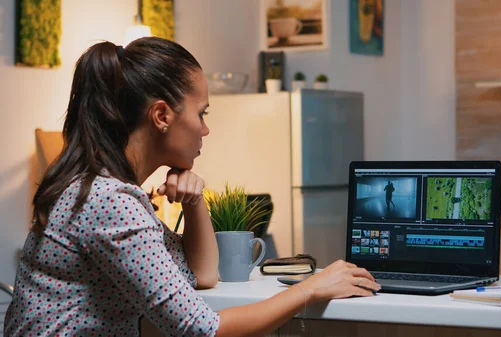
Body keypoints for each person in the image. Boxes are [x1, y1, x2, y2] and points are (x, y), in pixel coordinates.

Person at [3, 37, 380, 336]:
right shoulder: (109, 201)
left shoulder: (108, 191)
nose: (205, 128)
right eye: (201, 114)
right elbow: (201, 330)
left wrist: (195, 200)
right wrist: (309, 289)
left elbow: (201, 274)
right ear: (162, 115)